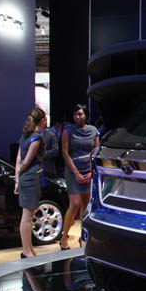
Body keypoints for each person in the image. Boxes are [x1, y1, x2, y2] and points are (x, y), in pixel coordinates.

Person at [59, 104, 99, 250]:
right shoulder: (68, 129)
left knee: (85, 205)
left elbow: (96, 152)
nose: (77, 117)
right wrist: (76, 173)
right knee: (74, 203)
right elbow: (65, 153)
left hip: (88, 170)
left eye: (80, 114)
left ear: (86, 115)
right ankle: (64, 237)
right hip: (72, 170)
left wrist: (91, 172)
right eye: (75, 114)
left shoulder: (94, 131)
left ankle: (83, 236)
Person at [15, 107, 48, 258]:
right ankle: (26, 251)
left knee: (27, 215)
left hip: (24, 178)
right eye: (45, 119)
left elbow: (18, 159)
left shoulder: (24, 136)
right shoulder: (36, 138)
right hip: (31, 177)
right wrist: (20, 174)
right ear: (41, 121)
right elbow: (26, 161)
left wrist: (17, 179)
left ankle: (29, 249)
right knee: (27, 216)